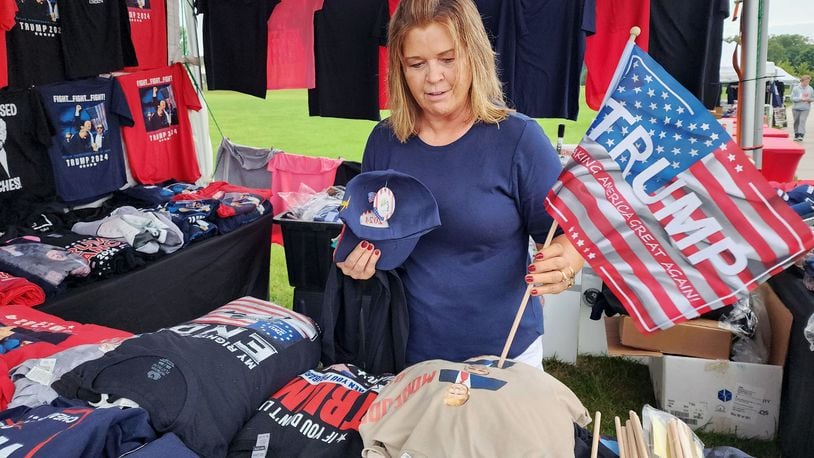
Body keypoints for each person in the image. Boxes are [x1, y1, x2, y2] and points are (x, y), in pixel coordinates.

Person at [335, 0, 584, 368]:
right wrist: (358, 262)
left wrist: (567, 261)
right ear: (400, 70)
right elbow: (368, 231)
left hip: (504, 354)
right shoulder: (385, 142)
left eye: (447, 59)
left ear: (474, 55)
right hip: (406, 353)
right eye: (416, 64)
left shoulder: (519, 140)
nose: (433, 77)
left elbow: (569, 235)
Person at [792, 75, 813, 141]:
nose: (807, 83)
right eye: (806, 81)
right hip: (796, 108)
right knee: (796, 122)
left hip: (805, 108)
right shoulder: (796, 88)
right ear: (802, 81)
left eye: (808, 82)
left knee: (802, 120)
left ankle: (801, 134)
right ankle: (796, 134)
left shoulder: (810, 88)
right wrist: (800, 99)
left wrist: (810, 99)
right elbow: (792, 98)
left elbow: (813, 97)